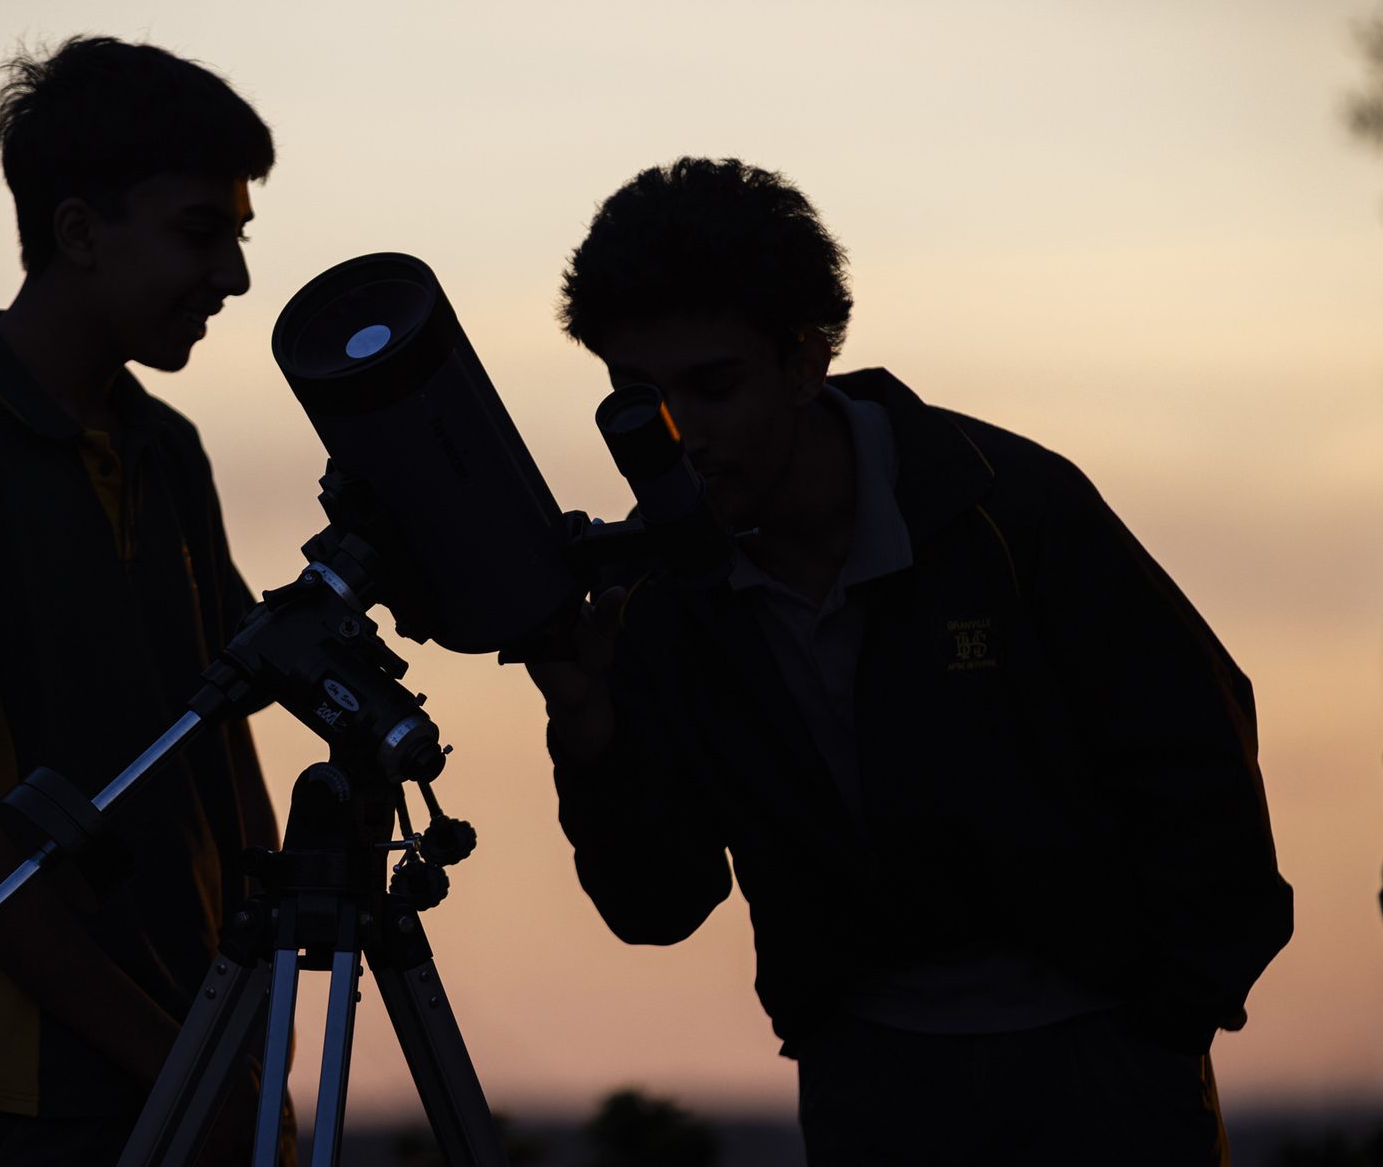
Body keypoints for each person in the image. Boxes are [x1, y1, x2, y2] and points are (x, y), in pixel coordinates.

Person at [528, 158, 1293, 1166]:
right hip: (869, 1085)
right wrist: (588, 734)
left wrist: (1170, 1013)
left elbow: (1198, 750)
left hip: (1106, 1065)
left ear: (805, 360)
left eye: (713, 387)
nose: (681, 437)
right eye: (638, 400)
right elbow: (658, 904)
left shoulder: (1008, 511)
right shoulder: (662, 599)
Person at [0, 35, 287, 1165]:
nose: (233, 278)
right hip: (7, 1089)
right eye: (201, 232)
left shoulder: (164, 449)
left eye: (239, 237)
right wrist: (179, 1064)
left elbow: (223, 747)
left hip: (180, 1052)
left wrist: (243, 1049)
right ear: (78, 231)